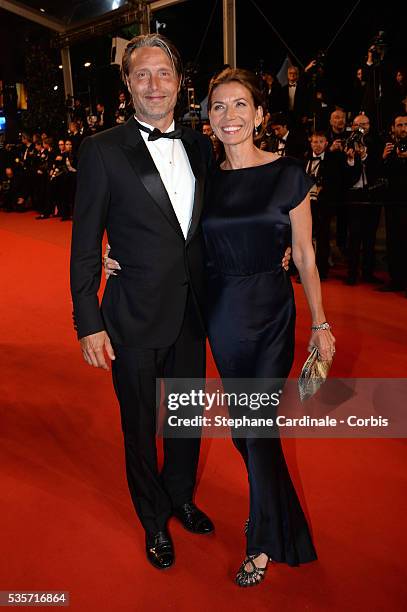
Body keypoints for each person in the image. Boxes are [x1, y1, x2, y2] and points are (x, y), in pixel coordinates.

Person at [105, 68, 335, 587]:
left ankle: (261, 541)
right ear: (208, 118)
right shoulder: (205, 173)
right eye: (218, 107)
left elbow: (304, 254)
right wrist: (118, 256)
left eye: (240, 106)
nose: (229, 116)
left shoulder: (289, 173)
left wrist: (320, 322)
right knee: (245, 429)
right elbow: (167, 227)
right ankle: (286, 526)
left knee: (256, 428)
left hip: (271, 313)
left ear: (259, 115)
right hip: (222, 312)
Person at [71, 34, 291, 575]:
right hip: (133, 315)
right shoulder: (102, 149)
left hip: (195, 313)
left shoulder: (198, 146)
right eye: (141, 75)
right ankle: (152, 519)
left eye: (163, 74)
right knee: (141, 426)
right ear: (127, 84)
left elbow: (219, 218)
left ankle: (180, 497)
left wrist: (275, 243)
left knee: (186, 418)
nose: (153, 85)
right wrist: (87, 320)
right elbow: (84, 243)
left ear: (178, 83)